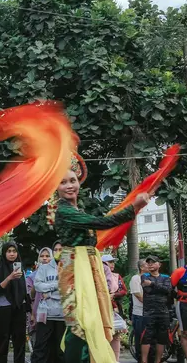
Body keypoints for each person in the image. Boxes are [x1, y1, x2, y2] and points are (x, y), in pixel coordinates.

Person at [52, 152, 150, 362]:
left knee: (92, 319)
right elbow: (102, 223)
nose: (69, 186)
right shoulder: (64, 211)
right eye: (62, 182)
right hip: (75, 270)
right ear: (56, 188)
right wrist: (135, 206)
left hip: (87, 266)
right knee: (80, 321)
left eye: (72, 180)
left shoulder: (75, 209)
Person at [0, 242, 28, 363]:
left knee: (20, 342)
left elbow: (24, 290)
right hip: (3, 309)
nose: (12, 254)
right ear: (4, 253)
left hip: (19, 308)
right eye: (9, 251)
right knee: (2, 343)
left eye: (14, 251)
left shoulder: (20, 269)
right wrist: (9, 278)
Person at [31, 247, 64, 363]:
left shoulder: (68, 268)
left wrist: (49, 293)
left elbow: (68, 289)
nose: (58, 252)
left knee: (60, 348)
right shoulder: (43, 268)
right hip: (46, 314)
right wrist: (55, 286)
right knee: (41, 346)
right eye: (55, 249)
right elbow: (38, 286)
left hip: (62, 314)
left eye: (61, 249)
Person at [141, 255, 172, 363]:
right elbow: (148, 290)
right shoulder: (144, 276)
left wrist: (153, 284)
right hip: (149, 312)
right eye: (148, 262)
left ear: (159, 264)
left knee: (162, 338)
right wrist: (159, 288)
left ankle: (158, 361)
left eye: (153, 262)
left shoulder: (166, 277)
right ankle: (144, 361)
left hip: (163, 311)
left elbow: (168, 290)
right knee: (146, 337)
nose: (150, 264)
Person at [102, 255, 127, 362]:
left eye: (113, 262)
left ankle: (116, 360)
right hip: (103, 308)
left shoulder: (117, 276)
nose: (112, 264)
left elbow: (124, 290)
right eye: (109, 262)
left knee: (116, 335)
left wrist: (114, 295)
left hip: (116, 308)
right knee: (105, 334)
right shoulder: (97, 276)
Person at [171, 259, 187, 363]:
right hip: (184, 304)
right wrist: (176, 296)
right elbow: (170, 288)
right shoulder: (179, 272)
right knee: (186, 333)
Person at [131, 259, 147, 362]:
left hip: (151, 313)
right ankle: (140, 359)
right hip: (139, 313)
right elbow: (139, 296)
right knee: (140, 338)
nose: (149, 266)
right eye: (147, 264)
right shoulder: (136, 278)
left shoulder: (151, 278)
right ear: (141, 267)